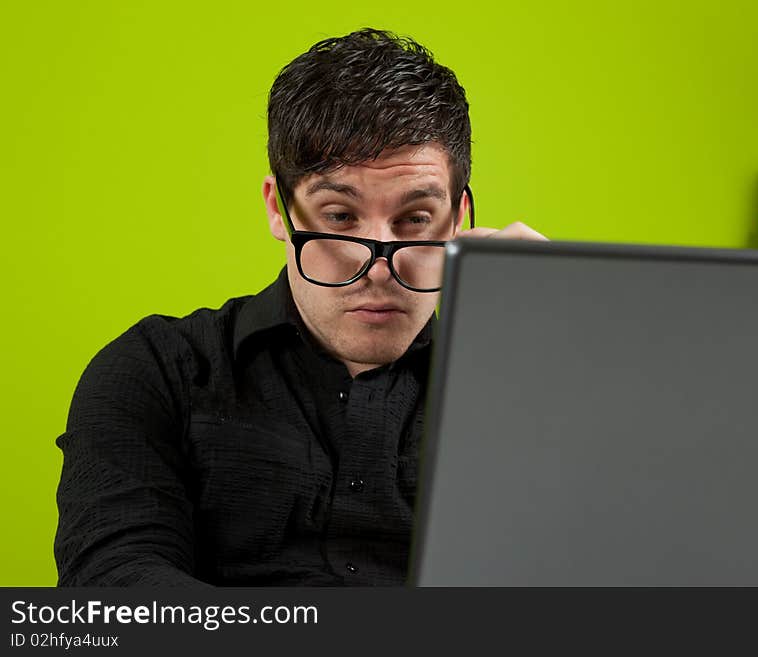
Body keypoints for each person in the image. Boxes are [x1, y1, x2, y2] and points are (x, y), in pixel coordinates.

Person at [54, 28, 545, 586]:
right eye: (339, 217)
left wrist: (579, 365)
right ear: (278, 210)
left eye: (413, 220)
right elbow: (117, 592)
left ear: (458, 219)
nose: (380, 266)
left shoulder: (526, 392)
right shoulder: (156, 372)